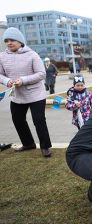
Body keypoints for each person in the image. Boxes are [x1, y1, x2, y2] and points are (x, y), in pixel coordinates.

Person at [0, 27, 52, 157]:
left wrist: (23, 80)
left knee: (38, 120)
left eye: (12, 40)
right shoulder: (2, 56)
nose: (9, 43)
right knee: (17, 119)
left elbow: (41, 74)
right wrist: (7, 81)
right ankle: (28, 143)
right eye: (6, 40)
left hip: (36, 95)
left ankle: (45, 147)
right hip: (17, 95)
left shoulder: (32, 54)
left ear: (20, 41)